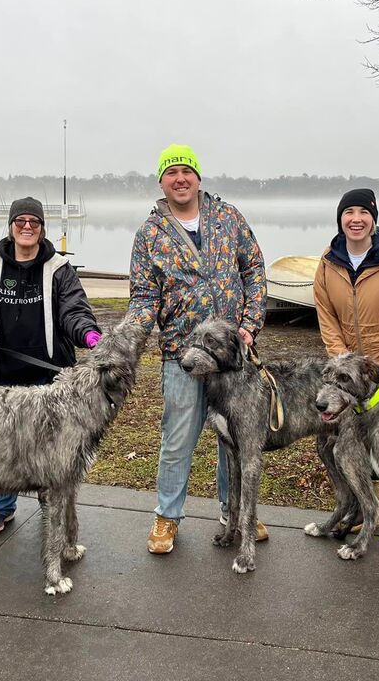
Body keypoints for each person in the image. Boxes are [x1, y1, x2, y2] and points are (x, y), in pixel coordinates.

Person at [128, 144, 267, 554]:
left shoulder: (228, 218)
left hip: (232, 358)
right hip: (182, 357)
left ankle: (234, 513)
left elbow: (254, 270)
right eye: (171, 172)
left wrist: (249, 326)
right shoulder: (150, 234)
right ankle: (167, 517)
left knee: (235, 442)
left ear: (198, 177)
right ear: (162, 182)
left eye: (186, 170)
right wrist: (128, 338)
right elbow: (143, 298)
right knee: (177, 440)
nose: (180, 178)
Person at [0, 197, 103, 535]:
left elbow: (74, 310)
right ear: (11, 227)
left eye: (34, 221)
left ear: (42, 229)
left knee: (52, 446)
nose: (27, 227)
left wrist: (88, 334)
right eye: (21, 221)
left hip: (47, 377)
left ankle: (51, 502)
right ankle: (0, 507)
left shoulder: (59, 269)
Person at [313, 188, 379, 556]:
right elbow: (327, 320)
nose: (356, 219)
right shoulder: (328, 263)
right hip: (354, 382)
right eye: (349, 212)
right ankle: (366, 512)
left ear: (373, 219)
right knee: (360, 450)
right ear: (340, 218)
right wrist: (342, 364)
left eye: (363, 212)